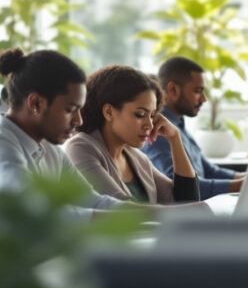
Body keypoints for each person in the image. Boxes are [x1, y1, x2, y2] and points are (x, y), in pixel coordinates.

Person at [0, 48, 121, 216]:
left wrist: (155, 213)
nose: (79, 121)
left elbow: (92, 201)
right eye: (70, 110)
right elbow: (35, 210)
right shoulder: (3, 143)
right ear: (35, 103)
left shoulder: (49, 147)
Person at [65, 65, 199, 204]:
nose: (150, 125)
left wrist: (175, 138)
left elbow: (188, 203)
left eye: (152, 115)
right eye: (140, 114)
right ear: (109, 112)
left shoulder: (138, 159)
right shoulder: (80, 147)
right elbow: (123, 211)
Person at [142, 57, 243, 199]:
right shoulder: (159, 131)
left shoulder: (179, 124)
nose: (203, 99)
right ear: (173, 89)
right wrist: (243, 185)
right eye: (198, 91)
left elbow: (209, 171)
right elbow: (181, 187)